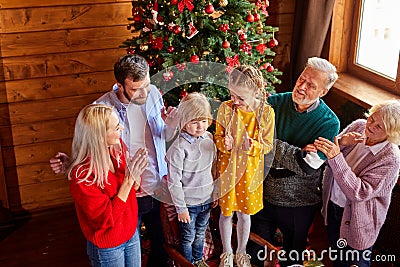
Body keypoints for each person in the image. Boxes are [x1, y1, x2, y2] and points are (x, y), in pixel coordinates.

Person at [50, 54, 177, 267]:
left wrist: (172, 124)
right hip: (125, 194)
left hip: (156, 184)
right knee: (118, 241)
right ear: (120, 85)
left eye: (147, 84)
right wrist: (71, 164)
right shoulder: (101, 109)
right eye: (137, 89)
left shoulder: (153, 93)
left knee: (159, 245)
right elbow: (91, 151)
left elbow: (161, 134)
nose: (145, 92)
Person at [249, 57, 340, 267]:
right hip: (263, 193)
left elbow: (308, 165)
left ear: (323, 92)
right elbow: (253, 141)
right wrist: (296, 152)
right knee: (255, 253)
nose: (302, 86)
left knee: (293, 257)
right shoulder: (274, 103)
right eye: (302, 79)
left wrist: (270, 144)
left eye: (311, 85)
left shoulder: (329, 122)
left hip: (299, 202)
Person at [315, 100, 400, 267]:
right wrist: (342, 143)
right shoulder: (359, 125)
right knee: (337, 256)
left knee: (355, 262)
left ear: (391, 133)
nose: (371, 126)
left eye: (379, 127)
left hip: (359, 222)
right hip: (333, 206)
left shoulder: (390, 158)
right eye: (372, 119)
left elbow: (359, 192)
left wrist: (335, 156)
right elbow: (327, 157)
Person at [68, 104, 148, 266]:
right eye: (117, 127)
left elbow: (134, 188)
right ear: (99, 135)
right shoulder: (82, 175)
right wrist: (128, 180)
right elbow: (105, 219)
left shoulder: (118, 149)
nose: (122, 128)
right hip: (108, 245)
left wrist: (136, 175)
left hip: (130, 232)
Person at [214, 65, 275, 267]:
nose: (235, 101)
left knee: (244, 214)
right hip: (228, 170)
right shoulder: (225, 108)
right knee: (226, 213)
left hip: (249, 173)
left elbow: (268, 145)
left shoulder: (266, 113)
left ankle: (241, 252)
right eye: (232, 95)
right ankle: (227, 252)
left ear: (257, 91)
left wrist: (253, 146)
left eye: (241, 97)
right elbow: (217, 137)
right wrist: (225, 144)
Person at [166, 92, 218, 267]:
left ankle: (198, 260)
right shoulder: (178, 148)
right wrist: (181, 208)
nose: (200, 126)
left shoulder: (209, 139)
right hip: (188, 204)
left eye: (203, 121)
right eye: (194, 122)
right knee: (188, 236)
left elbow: (213, 168)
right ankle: (187, 263)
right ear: (184, 121)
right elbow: (174, 182)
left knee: (201, 233)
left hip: (207, 199)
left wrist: (215, 193)